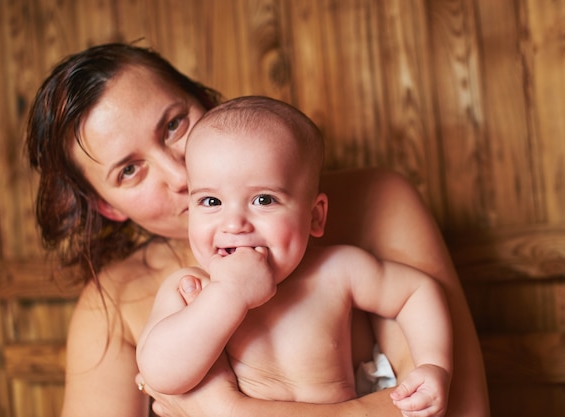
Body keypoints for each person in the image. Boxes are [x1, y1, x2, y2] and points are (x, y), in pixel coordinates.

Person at [25, 42, 490, 417]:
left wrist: (226, 410)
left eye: (174, 124)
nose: (179, 174)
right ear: (107, 206)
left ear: (206, 103)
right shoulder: (155, 295)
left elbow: (455, 406)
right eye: (130, 170)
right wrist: (228, 295)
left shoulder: (362, 227)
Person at [136, 96, 452, 416]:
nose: (234, 223)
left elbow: (416, 291)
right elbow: (160, 374)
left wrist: (433, 364)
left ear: (315, 216)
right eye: (211, 202)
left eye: (263, 199)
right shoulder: (191, 290)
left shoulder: (338, 271)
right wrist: (228, 294)